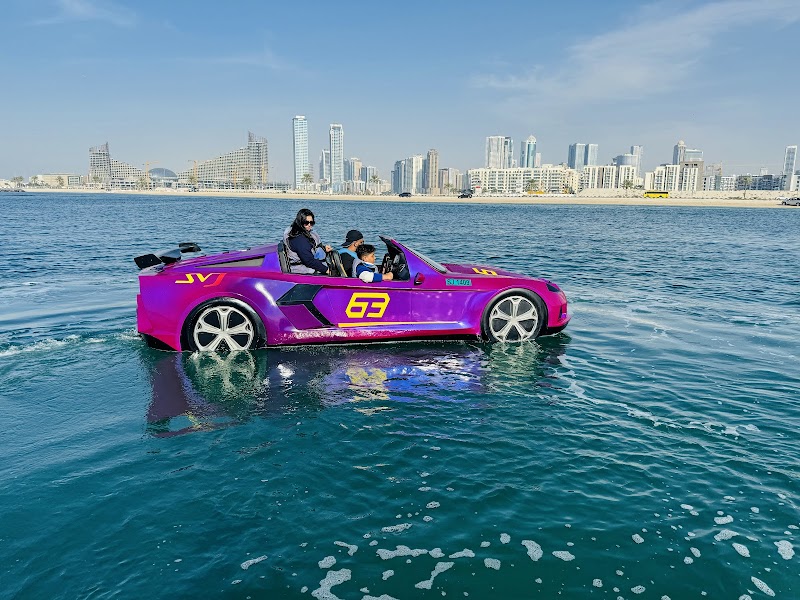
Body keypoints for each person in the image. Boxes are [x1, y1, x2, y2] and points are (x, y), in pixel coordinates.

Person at [284, 209, 332, 274]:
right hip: (303, 273)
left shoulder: (302, 234)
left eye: (311, 223)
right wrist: (327, 270)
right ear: (300, 222)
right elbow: (308, 260)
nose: (309, 225)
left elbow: (309, 249)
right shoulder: (299, 239)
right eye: (306, 223)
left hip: (310, 269)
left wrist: (323, 249)